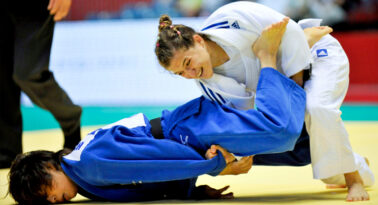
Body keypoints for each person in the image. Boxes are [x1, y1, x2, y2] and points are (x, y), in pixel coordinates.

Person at [8, 23, 309, 204]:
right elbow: (149, 176)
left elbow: (156, 159)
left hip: (187, 134)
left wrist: (214, 164)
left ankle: (273, 55)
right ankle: (298, 68)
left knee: (280, 130)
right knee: (300, 151)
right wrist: (195, 190)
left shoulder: (89, 164)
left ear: (50, 165)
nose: (49, 199)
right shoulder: (85, 173)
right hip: (186, 136)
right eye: (42, 201)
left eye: (41, 187)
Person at [154, 1, 374, 201]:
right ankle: (355, 165)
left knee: (315, 109)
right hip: (281, 73)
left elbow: (285, 28)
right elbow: (246, 120)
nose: (191, 74)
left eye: (188, 62)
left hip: (318, 57)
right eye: (181, 73)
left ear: (198, 40)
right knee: (306, 148)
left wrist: (300, 45)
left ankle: (354, 179)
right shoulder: (209, 83)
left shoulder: (230, 18)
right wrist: (236, 156)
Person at [0, 0, 81, 168]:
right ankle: (7, 151)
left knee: (28, 74)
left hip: (36, 6)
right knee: (2, 76)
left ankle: (70, 118)